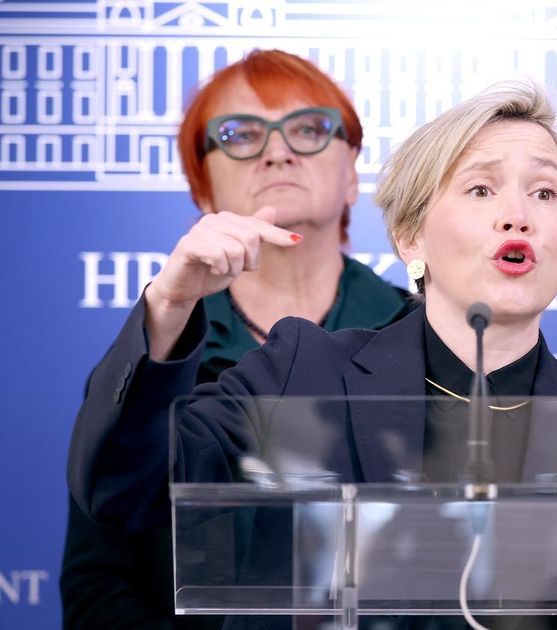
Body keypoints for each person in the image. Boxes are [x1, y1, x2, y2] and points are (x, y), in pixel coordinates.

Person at [68, 78, 557, 629]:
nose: (518, 216)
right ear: (410, 237)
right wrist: (171, 302)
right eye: (481, 189)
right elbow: (126, 490)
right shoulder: (304, 371)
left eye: (544, 192)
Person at [62, 49, 414, 629]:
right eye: (241, 134)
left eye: (309, 129)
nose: (278, 151)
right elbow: (98, 586)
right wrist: (169, 305)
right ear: (203, 189)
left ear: (353, 174)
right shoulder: (158, 352)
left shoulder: (421, 336)